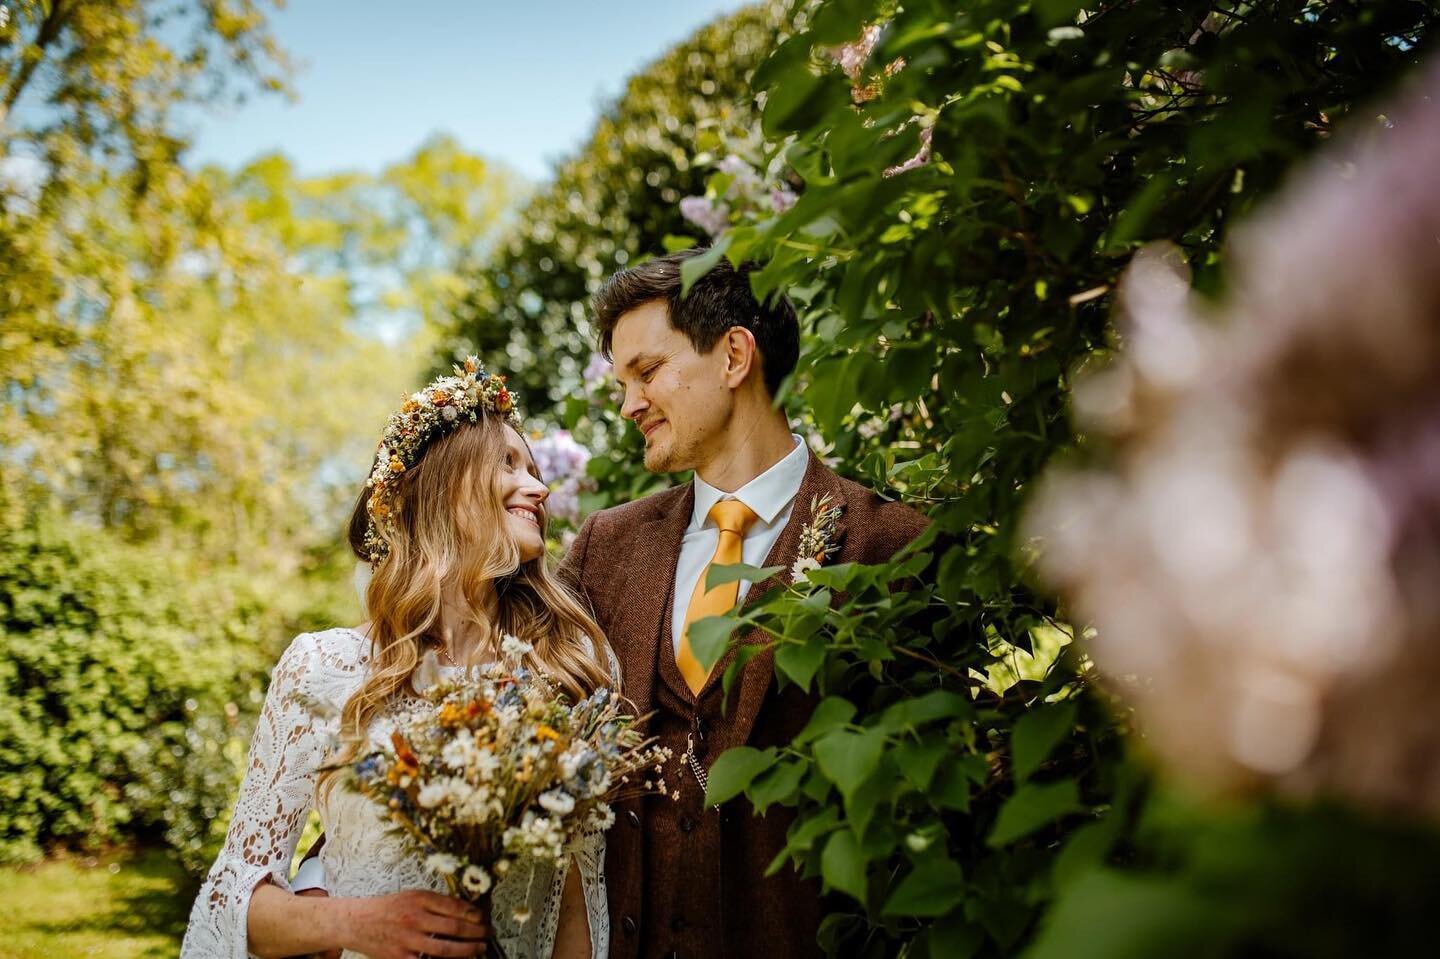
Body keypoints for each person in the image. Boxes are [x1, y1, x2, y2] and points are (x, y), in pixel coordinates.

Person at [180, 359, 616, 959]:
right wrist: (354, 925)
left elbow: (581, 903)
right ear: (437, 489)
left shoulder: (569, 666)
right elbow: (233, 902)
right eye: (508, 464)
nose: (539, 489)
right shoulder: (323, 666)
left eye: (537, 471)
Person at [563, 249, 928, 959]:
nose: (628, 403)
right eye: (621, 382)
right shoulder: (604, 549)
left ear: (734, 356)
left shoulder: (894, 543)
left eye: (647, 372)